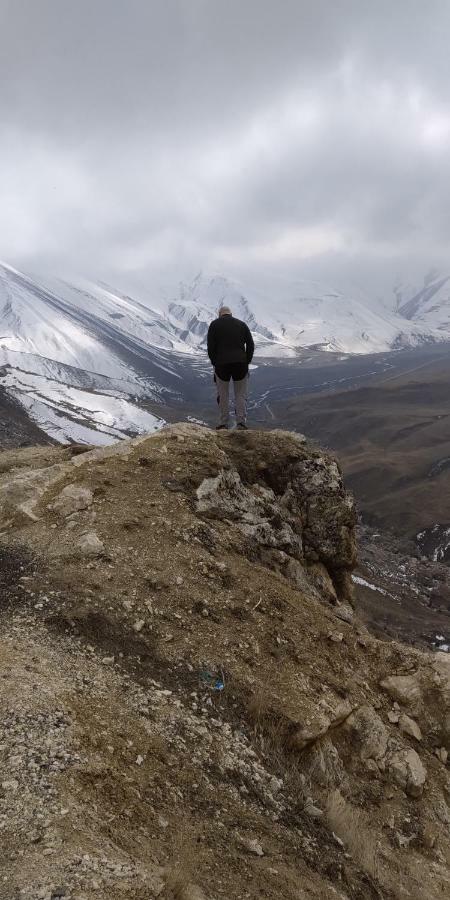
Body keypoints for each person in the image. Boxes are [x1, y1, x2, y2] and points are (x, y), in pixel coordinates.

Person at [207, 306, 254, 430]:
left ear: (219, 314)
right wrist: (247, 360)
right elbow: (250, 344)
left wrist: (214, 362)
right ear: (231, 313)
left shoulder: (214, 325)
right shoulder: (242, 324)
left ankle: (223, 423)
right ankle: (241, 423)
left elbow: (210, 346)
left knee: (223, 394)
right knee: (240, 394)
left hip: (222, 364)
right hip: (240, 363)